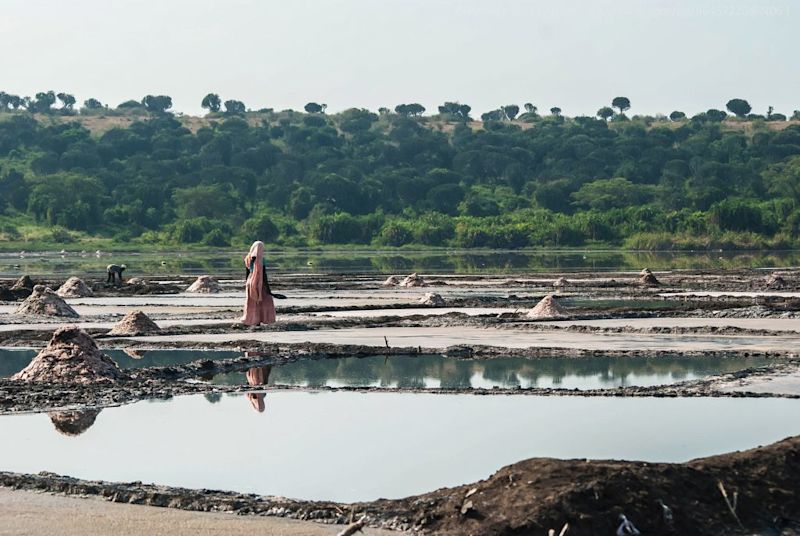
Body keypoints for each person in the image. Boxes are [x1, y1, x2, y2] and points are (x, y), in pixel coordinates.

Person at [241, 241, 276, 326]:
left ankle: (251, 320)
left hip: (250, 281)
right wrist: (268, 289)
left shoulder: (247, 258)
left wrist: (247, 284)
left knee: (252, 301)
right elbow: (263, 274)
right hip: (259, 282)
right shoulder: (261, 259)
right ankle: (266, 319)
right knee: (266, 299)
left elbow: (247, 273)